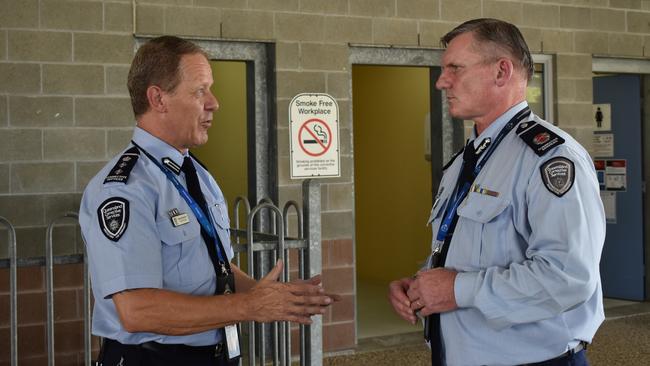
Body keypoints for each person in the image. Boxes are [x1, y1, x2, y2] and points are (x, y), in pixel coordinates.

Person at [79, 36, 337, 366]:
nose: (214, 103)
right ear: (158, 98)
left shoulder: (197, 174)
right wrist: (250, 307)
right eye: (200, 90)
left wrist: (270, 296)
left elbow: (214, 267)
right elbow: (137, 310)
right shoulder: (125, 188)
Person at [388, 19, 605, 366]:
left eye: (455, 69)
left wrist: (455, 289)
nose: (442, 81)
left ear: (501, 71)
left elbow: (568, 276)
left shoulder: (550, 158)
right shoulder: (466, 161)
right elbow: (474, 251)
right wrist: (421, 284)